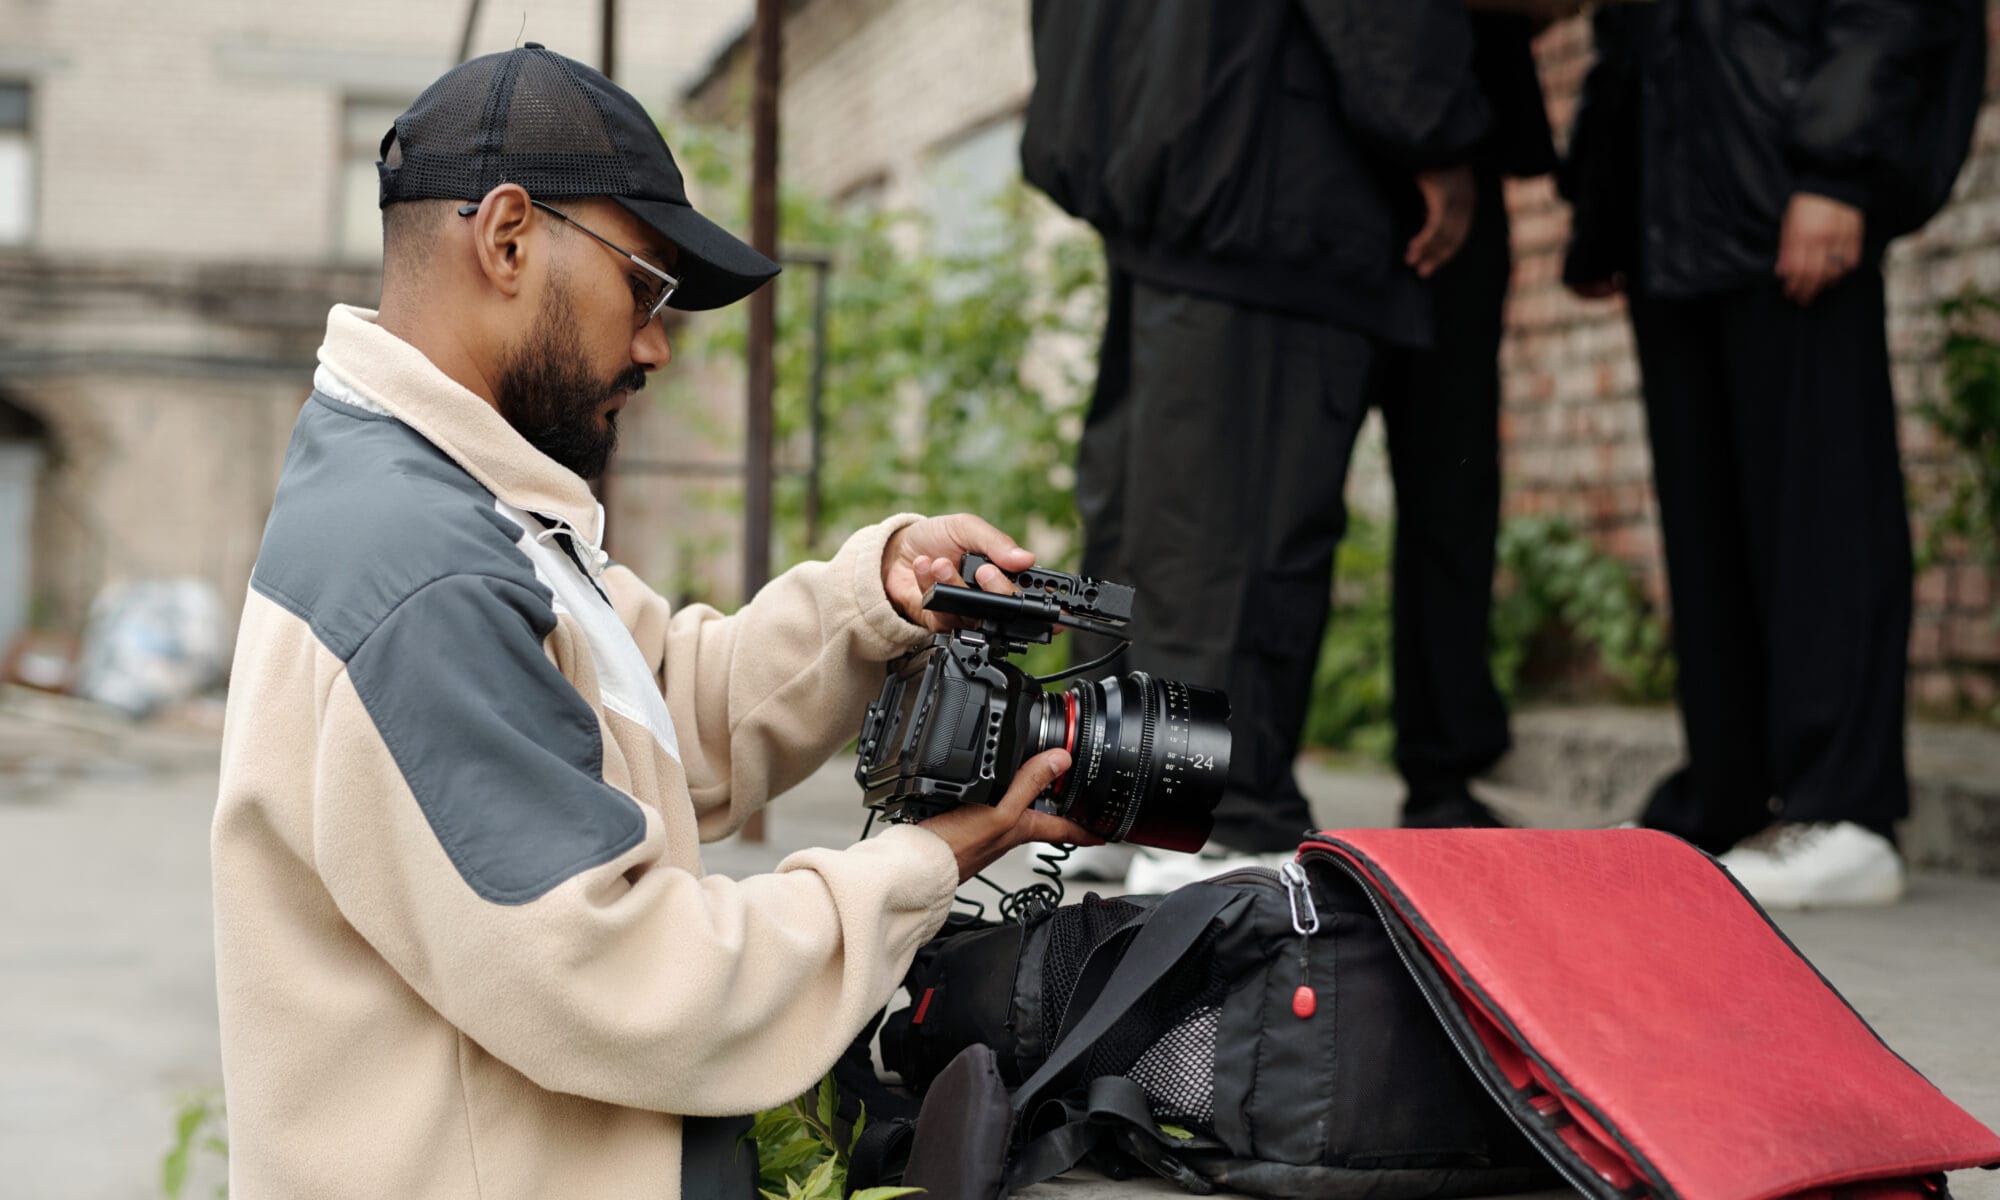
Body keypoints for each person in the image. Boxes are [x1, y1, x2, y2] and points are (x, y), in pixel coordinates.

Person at [210, 45, 1088, 1199]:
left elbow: (656, 717)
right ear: (507, 238)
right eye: (647, 288)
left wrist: (870, 598)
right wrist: (923, 865)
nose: (655, 346)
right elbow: (617, 979)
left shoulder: (463, 501)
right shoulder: (420, 570)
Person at [1021, 0, 1498, 885]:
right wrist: (1434, 135)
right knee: (1243, 515)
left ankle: (1125, 797)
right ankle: (1213, 818)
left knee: (1155, 503)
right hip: (1273, 173)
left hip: (1168, 149)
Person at [1561, 0, 1982, 907]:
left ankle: (1845, 811)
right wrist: (1604, 203)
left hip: (1788, 184)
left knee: (1824, 505)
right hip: (1671, 206)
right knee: (1705, 531)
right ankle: (1727, 801)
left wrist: (1841, 171)